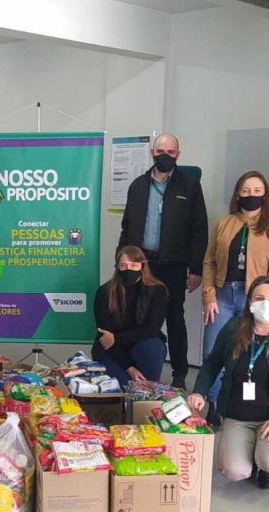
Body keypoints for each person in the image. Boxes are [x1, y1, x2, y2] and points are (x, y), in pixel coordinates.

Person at [187, 276, 269, 489]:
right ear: (250, 302)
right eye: (259, 298)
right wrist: (199, 392)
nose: (266, 303)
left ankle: (266, 467)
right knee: (234, 471)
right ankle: (250, 456)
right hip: (238, 416)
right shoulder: (233, 328)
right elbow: (212, 364)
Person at [118, 133, 207, 388]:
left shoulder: (189, 186)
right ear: (152, 153)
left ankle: (179, 374)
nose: (164, 156)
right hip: (142, 262)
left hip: (174, 264)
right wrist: (121, 260)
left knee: (174, 317)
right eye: (160, 151)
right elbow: (127, 226)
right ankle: (134, 367)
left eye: (170, 152)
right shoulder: (138, 185)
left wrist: (196, 269)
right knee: (136, 314)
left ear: (178, 154)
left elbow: (199, 230)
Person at [200, 171, 269, 425]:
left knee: (249, 355)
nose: (251, 195)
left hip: (256, 299)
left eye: (257, 191)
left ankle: (245, 406)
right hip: (223, 295)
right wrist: (208, 295)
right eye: (246, 190)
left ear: (265, 195)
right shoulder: (223, 224)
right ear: (238, 194)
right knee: (213, 352)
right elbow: (209, 262)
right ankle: (213, 405)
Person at [92, 246, 169, 388]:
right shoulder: (104, 292)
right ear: (117, 267)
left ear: (142, 266)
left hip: (142, 345)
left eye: (134, 265)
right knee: (122, 387)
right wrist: (129, 368)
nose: (128, 269)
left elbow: (152, 329)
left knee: (153, 348)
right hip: (112, 350)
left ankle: (150, 393)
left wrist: (117, 338)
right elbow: (105, 337)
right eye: (123, 265)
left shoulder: (158, 290)